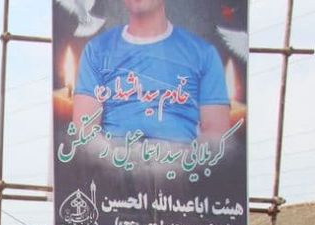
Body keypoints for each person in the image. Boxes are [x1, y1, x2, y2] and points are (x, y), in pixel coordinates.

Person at [72, 0, 231, 144]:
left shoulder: (204, 54)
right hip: (111, 166)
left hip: (184, 167)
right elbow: (85, 130)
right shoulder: (96, 51)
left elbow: (216, 134)